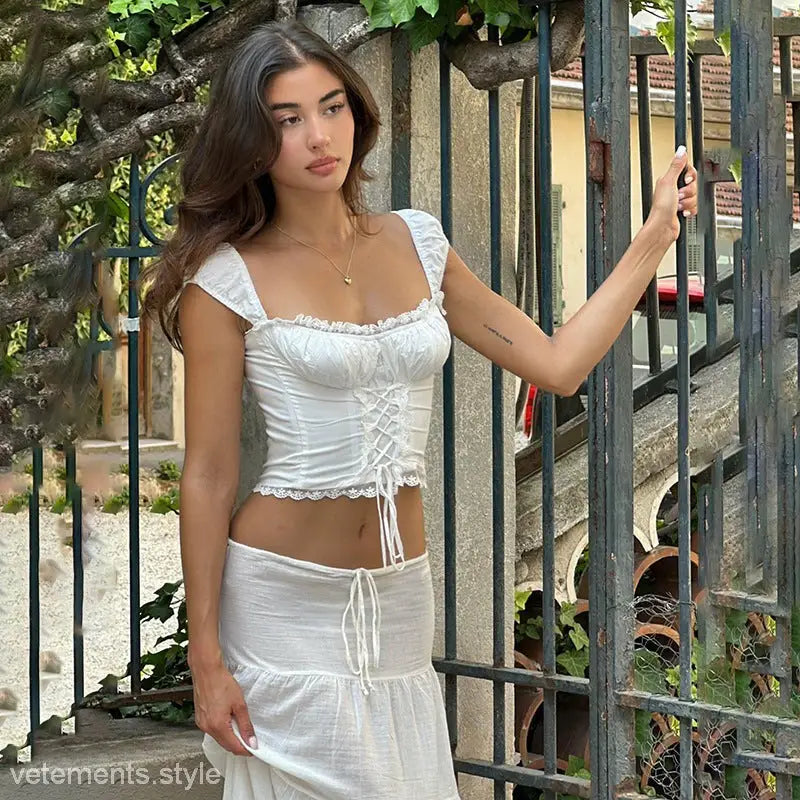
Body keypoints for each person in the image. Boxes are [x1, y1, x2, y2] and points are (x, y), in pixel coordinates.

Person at [140, 17, 698, 800]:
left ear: (357, 115)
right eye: (287, 120)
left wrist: (653, 240)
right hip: (281, 607)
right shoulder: (225, 281)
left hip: (403, 601)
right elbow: (207, 475)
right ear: (252, 143)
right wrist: (207, 661)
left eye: (331, 107)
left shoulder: (417, 242)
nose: (318, 136)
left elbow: (559, 364)